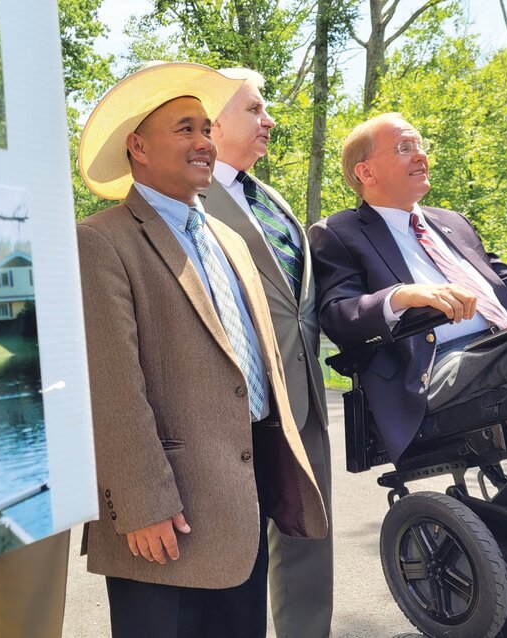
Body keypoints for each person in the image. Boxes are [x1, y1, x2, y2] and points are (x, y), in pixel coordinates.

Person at [77, 61, 327, 638]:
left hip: (244, 500)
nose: (204, 142)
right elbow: (110, 385)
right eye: (185, 129)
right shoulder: (101, 241)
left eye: (207, 129)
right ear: (137, 146)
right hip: (163, 517)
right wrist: (141, 503)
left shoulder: (232, 240)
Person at [308, 113, 507, 463]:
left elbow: (505, 287)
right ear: (366, 173)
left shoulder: (451, 221)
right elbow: (337, 313)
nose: (420, 155)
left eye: (419, 145)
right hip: (438, 367)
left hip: (506, 341)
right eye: (403, 147)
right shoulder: (338, 231)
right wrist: (403, 296)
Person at [199, 66, 333, 638]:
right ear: (213, 120)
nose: (269, 120)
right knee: (240, 556)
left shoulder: (271, 197)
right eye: (254, 109)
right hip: (238, 409)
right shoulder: (188, 199)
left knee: (310, 542)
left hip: (304, 398)